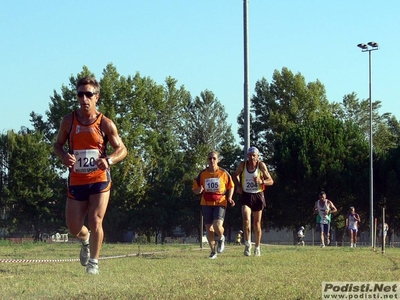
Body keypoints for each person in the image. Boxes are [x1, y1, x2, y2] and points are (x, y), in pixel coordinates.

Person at [53, 76, 127, 274]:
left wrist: (109, 160)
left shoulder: (105, 124)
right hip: (77, 179)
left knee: (95, 219)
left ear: (97, 97)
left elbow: (122, 149)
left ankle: (93, 263)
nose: (84, 98)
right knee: (74, 228)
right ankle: (85, 240)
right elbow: (57, 145)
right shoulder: (69, 121)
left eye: (88, 94)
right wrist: (63, 156)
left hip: (99, 179)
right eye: (80, 94)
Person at [192, 151, 235, 259]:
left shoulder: (223, 173)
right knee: (209, 229)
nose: (212, 160)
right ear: (207, 160)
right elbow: (195, 189)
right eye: (210, 158)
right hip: (206, 203)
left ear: (218, 160)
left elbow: (231, 186)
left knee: (217, 225)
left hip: (220, 202)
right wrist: (199, 190)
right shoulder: (202, 174)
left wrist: (229, 198)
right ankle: (213, 252)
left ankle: (221, 237)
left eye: (214, 158)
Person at [233, 146, 274, 256]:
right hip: (246, 195)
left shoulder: (261, 165)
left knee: (257, 224)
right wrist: (238, 186)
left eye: (254, 156)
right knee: (246, 219)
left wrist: (262, 181)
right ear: (247, 156)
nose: (251, 158)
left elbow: (271, 181)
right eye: (250, 155)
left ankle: (257, 247)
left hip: (258, 195)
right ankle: (247, 244)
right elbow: (236, 174)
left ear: (258, 156)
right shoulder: (243, 164)